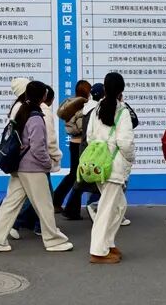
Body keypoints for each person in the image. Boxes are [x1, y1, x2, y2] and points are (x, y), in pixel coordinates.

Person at [0, 81, 72, 253]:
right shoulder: (36, 118)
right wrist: (48, 163)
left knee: (10, 205)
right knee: (45, 206)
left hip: (18, 167)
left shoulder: (21, 111)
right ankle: (53, 241)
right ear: (43, 96)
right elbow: (38, 147)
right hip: (33, 169)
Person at [87, 72, 135, 264]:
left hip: (98, 165)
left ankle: (108, 243)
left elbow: (89, 136)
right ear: (121, 90)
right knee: (107, 209)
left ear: (105, 88)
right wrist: (130, 159)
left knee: (119, 206)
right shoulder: (122, 111)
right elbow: (125, 143)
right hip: (114, 167)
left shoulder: (97, 109)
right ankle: (98, 251)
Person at [53, 79, 90, 213]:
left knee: (74, 174)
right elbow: (82, 127)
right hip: (81, 144)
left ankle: (60, 202)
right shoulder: (83, 105)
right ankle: (61, 203)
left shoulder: (70, 104)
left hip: (73, 143)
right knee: (77, 175)